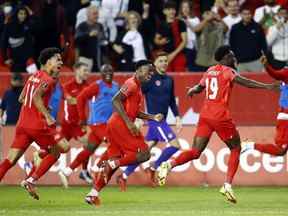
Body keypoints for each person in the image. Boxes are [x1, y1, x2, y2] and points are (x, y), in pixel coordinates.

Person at [157, 45, 276, 204]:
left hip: (205, 116)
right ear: (226, 57)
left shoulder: (210, 70)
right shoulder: (228, 71)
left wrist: (193, 89)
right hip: (221, 117)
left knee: (195, 151)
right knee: (236, 148)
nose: (234, 59)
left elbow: (200, 87)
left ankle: (169, 164)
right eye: (232, 56)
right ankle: (227, 185)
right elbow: (245, 82)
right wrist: (267, 86)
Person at [84, 60, 163, 206]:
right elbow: (115, 100)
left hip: (116, 125)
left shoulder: (137, 87)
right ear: (138, 70)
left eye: (152, 72)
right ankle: (111, 163)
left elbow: (133, 111)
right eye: (148, 70)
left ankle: (93, 193)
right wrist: (128, 123)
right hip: (120, 125)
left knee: (116, 162)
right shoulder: (132, 83)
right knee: (144, 154)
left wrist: (152, 117)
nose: (151, 74)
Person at [0, 47, 70, 200]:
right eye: (57, 59)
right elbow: (37, 97)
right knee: (59, 150)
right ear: (48, 61)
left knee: (10, 160)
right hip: (37, 125)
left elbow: (22, 99)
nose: (61, 62)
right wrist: (47, 114)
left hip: (22, 124)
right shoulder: (49, 79)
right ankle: (31, 179)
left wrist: (44, 105)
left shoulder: (33, 76)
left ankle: (33, 170)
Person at [117, 52, 182, 191]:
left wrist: (177, 116)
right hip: (155, 121)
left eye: (166, 60)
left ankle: (123, 175)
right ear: (155, 64)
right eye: (161, 61)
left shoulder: (169, 80)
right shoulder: (149, 79)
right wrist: (138, 118)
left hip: (162, 120)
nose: (164, 63)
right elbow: (136, 96)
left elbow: (171, 100)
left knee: (143, 152)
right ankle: (154, 166)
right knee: (175, 145)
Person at [58, 64, 119, 187]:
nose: (108, 73)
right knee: (116, 144)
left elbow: (120, 103)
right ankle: (97, 170)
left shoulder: (116, 86)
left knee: (89, 149)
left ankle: (66, 171)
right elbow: (80, 98)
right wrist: (83, 120)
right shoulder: (97, 86)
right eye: (105, 71)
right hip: (97, 123)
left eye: (110, 70)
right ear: (101, 74)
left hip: (108, 124)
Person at [241, 55, 288, 158]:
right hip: (286, 116)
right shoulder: (286, 72)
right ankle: (249, 145)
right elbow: (275, 74)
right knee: (280, 150)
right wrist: (266, 66)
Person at [229, 8, 267, 72]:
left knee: (258, 81)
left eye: (249, 14)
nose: (247, 16)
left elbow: (263, 43)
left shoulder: (257, 27)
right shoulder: (235, 28)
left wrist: (265, 55)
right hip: (241, 62)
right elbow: (232, 44)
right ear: (241, 15)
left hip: (256, 61)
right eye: (245, 14)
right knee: (242, 81)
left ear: (251, 15)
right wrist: (235, 58)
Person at [154, 1, 187, 72]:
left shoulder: (180, 23)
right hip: (165, 57)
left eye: (173, 9)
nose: (172, 11)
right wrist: (160, 42)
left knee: (179, 79)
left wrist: (173, 54)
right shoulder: (161, 24)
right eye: (169, 9)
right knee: (166, 79)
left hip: (179, 55)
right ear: (164, 11)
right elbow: (156, 40)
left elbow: (184, 41)